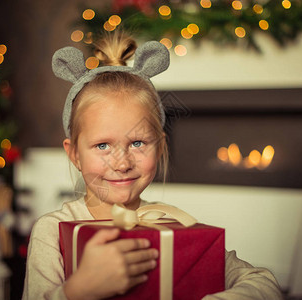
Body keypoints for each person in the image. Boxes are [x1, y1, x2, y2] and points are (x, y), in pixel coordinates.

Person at [22, 32, 283, 300]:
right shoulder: (52, 230)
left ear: (159, 147)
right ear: (74, 154)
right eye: (102, 146)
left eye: (137, 143)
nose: (122, 163)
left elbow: (264, 283)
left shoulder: (172, 225)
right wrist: (78, 290)